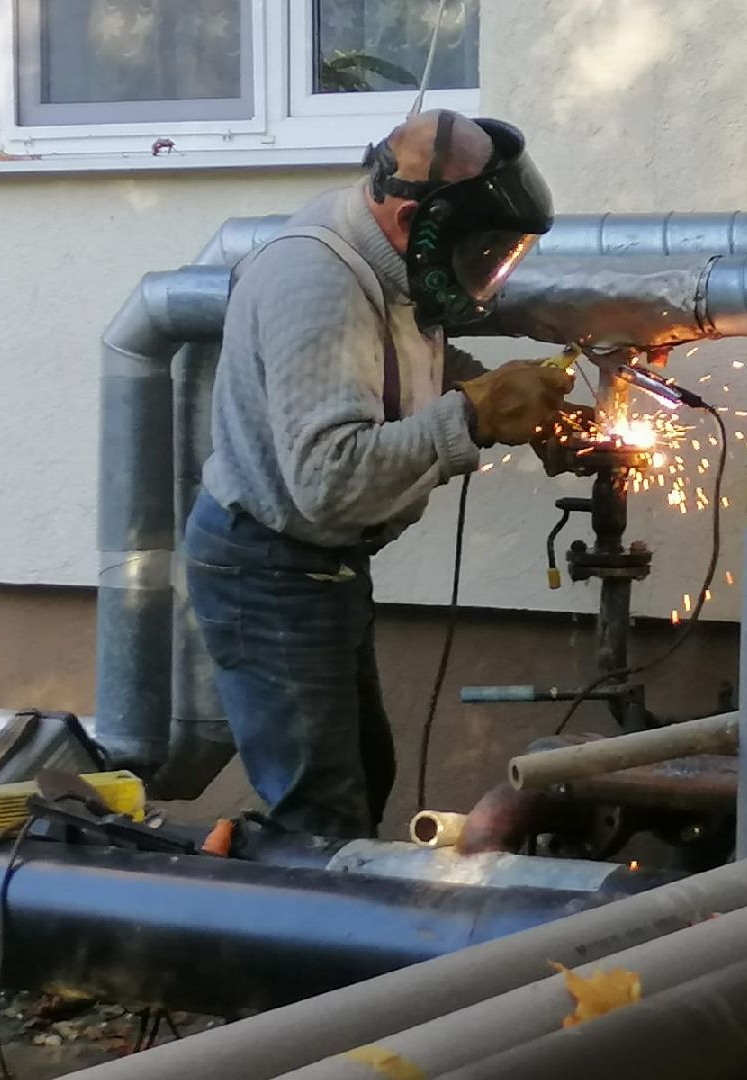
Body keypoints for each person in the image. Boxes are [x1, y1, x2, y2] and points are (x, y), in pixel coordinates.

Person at [184, 110, 570, 838]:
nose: (485, 272)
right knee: (321, 814)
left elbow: (400, 362)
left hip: (315, 563)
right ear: (409, 217)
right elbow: (329, 479)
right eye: (480, 251)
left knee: (363, 772)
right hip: (267, 565)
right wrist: (475, 416)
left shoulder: (386, 263)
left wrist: (503, 399)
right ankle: (283, 938)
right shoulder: (317, 282)